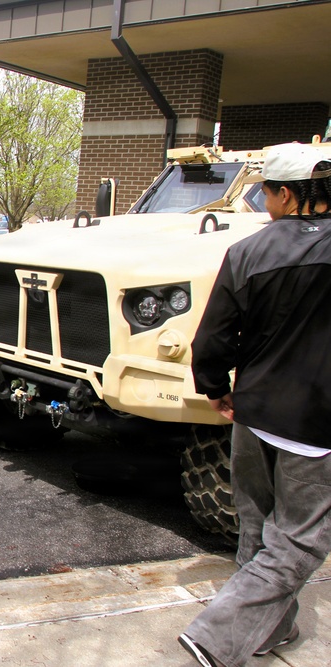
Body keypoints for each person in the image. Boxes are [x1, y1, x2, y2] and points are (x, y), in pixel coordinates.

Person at [179, 142, 331, 667]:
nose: (263, 203)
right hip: (316, 423)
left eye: (264, 192)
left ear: (287, 194)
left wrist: (217, 388)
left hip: (255, 413)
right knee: (300, 541)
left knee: (259, 527)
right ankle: (220, 636)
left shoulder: (248, 251)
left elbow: (213, 336)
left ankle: (267, 631)